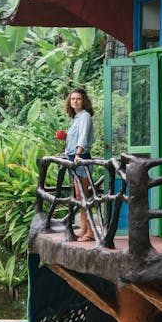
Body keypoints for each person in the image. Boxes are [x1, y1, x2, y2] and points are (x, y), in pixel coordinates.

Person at [63, 87, 95, 241]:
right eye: (73, 99)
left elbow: (82, 137)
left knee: (83, 195)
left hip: (80, 158)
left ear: (84, 101)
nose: (75, 101)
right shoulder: (76, 118)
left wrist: (77, 154)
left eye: (78, 99)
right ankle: (84, 229)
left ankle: (90, 232)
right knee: (78, 195)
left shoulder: (85, 116)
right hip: (73, 157)